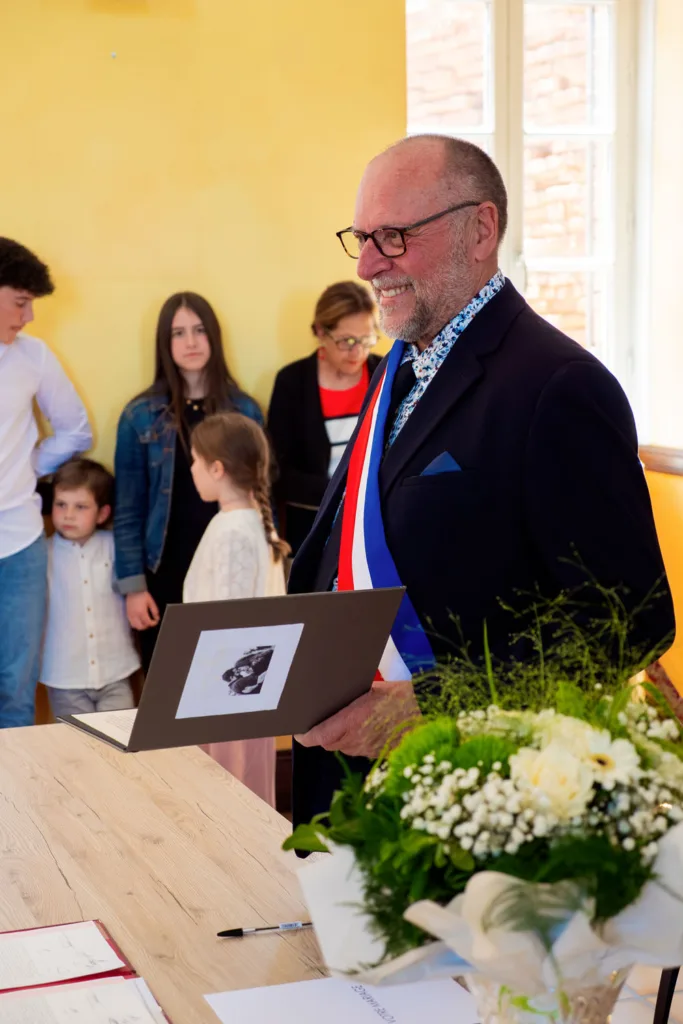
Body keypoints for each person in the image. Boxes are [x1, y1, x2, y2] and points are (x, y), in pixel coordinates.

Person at [289, 134, 675, 829]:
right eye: (363, 236)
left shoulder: (558, 386)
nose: (371, 263)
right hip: (350, 770)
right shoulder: (396, 368)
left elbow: (627, 625)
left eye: (395, 236)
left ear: (481, 228)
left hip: (477, 796)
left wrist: (432, 703)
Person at [113, 292, 264, 672]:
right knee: (169, 687)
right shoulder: (139, 415)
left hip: (229, 567)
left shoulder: (244, 410)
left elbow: (260, 494)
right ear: (165, 344)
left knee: (229, 680)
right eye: (178, 333)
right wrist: (134, 587)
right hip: (163, 573)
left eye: (199, 330)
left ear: (213, 336)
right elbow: (128, 508)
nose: (191, 342)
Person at [0, 238, 91, 728]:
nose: (29, 316)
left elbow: (76, 430)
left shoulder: (33, 357)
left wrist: (23, 465)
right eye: (20, 301)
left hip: (20, 546)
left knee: (15, 687)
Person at [184, 412, 289, 806]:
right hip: (243, 688)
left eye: (194, 460)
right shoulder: (249, 523)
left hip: (225, 690)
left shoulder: (233, 531)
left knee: (228, 789)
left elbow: (229, 621)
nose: (191, 469)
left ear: (216, 467)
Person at [267, 282, 382, 554]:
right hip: (311, 530)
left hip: (372, 526)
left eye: (366, 339)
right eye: (346, 341)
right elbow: (277, 472)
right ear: (321, 332)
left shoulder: (383, 373)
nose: (357, 352)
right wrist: (342, 492)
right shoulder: (292, 382)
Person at [40, 458, 140, 717]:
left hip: (116, 672)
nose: (68, 515)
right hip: (65, 678)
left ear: (102, 513)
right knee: (76, 751)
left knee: (118, 746)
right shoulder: (43, 555)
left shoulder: (116, 547)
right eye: (61, 504)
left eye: (80, 506)